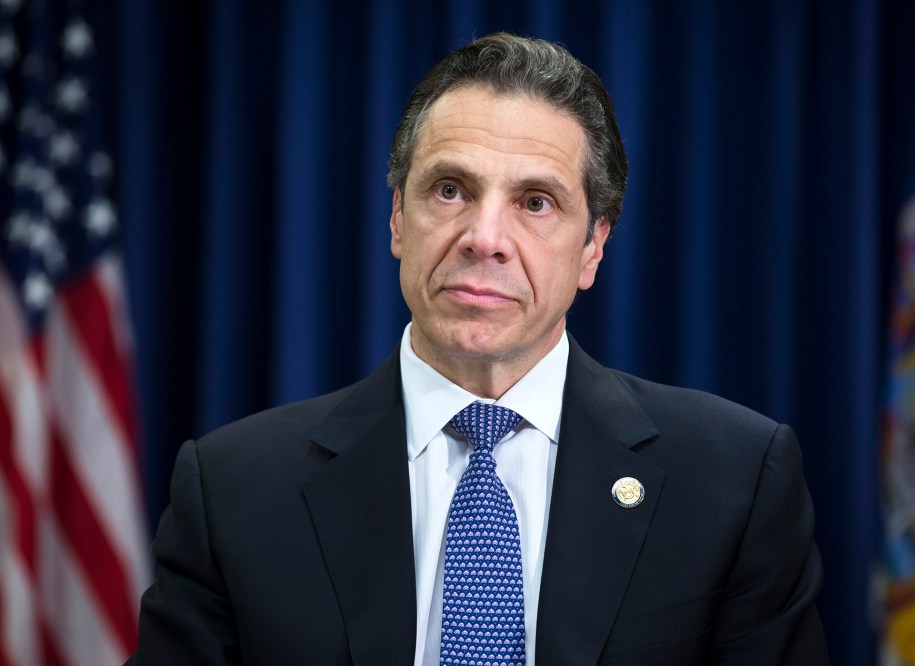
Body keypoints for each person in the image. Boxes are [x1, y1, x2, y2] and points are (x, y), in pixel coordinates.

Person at [129, 33, 828, 665]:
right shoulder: (233, 490)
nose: (484, 237)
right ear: (398, 218)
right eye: (451, 189)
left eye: (535, 203)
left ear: (593, 247)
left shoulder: (736, 481)